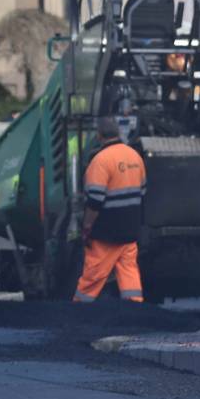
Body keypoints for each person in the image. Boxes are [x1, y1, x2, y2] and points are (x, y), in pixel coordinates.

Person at [73, 117, 146, 304]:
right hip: (130, 228)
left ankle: (79, 310)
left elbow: (95, 200)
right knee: (129, 271)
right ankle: (135, 307)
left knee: (93, 274)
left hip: (107, 231)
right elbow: (143, 191)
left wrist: (87, 227)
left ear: (99, 136)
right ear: (118, 133)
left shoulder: (100, 161)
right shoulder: (134, 157)